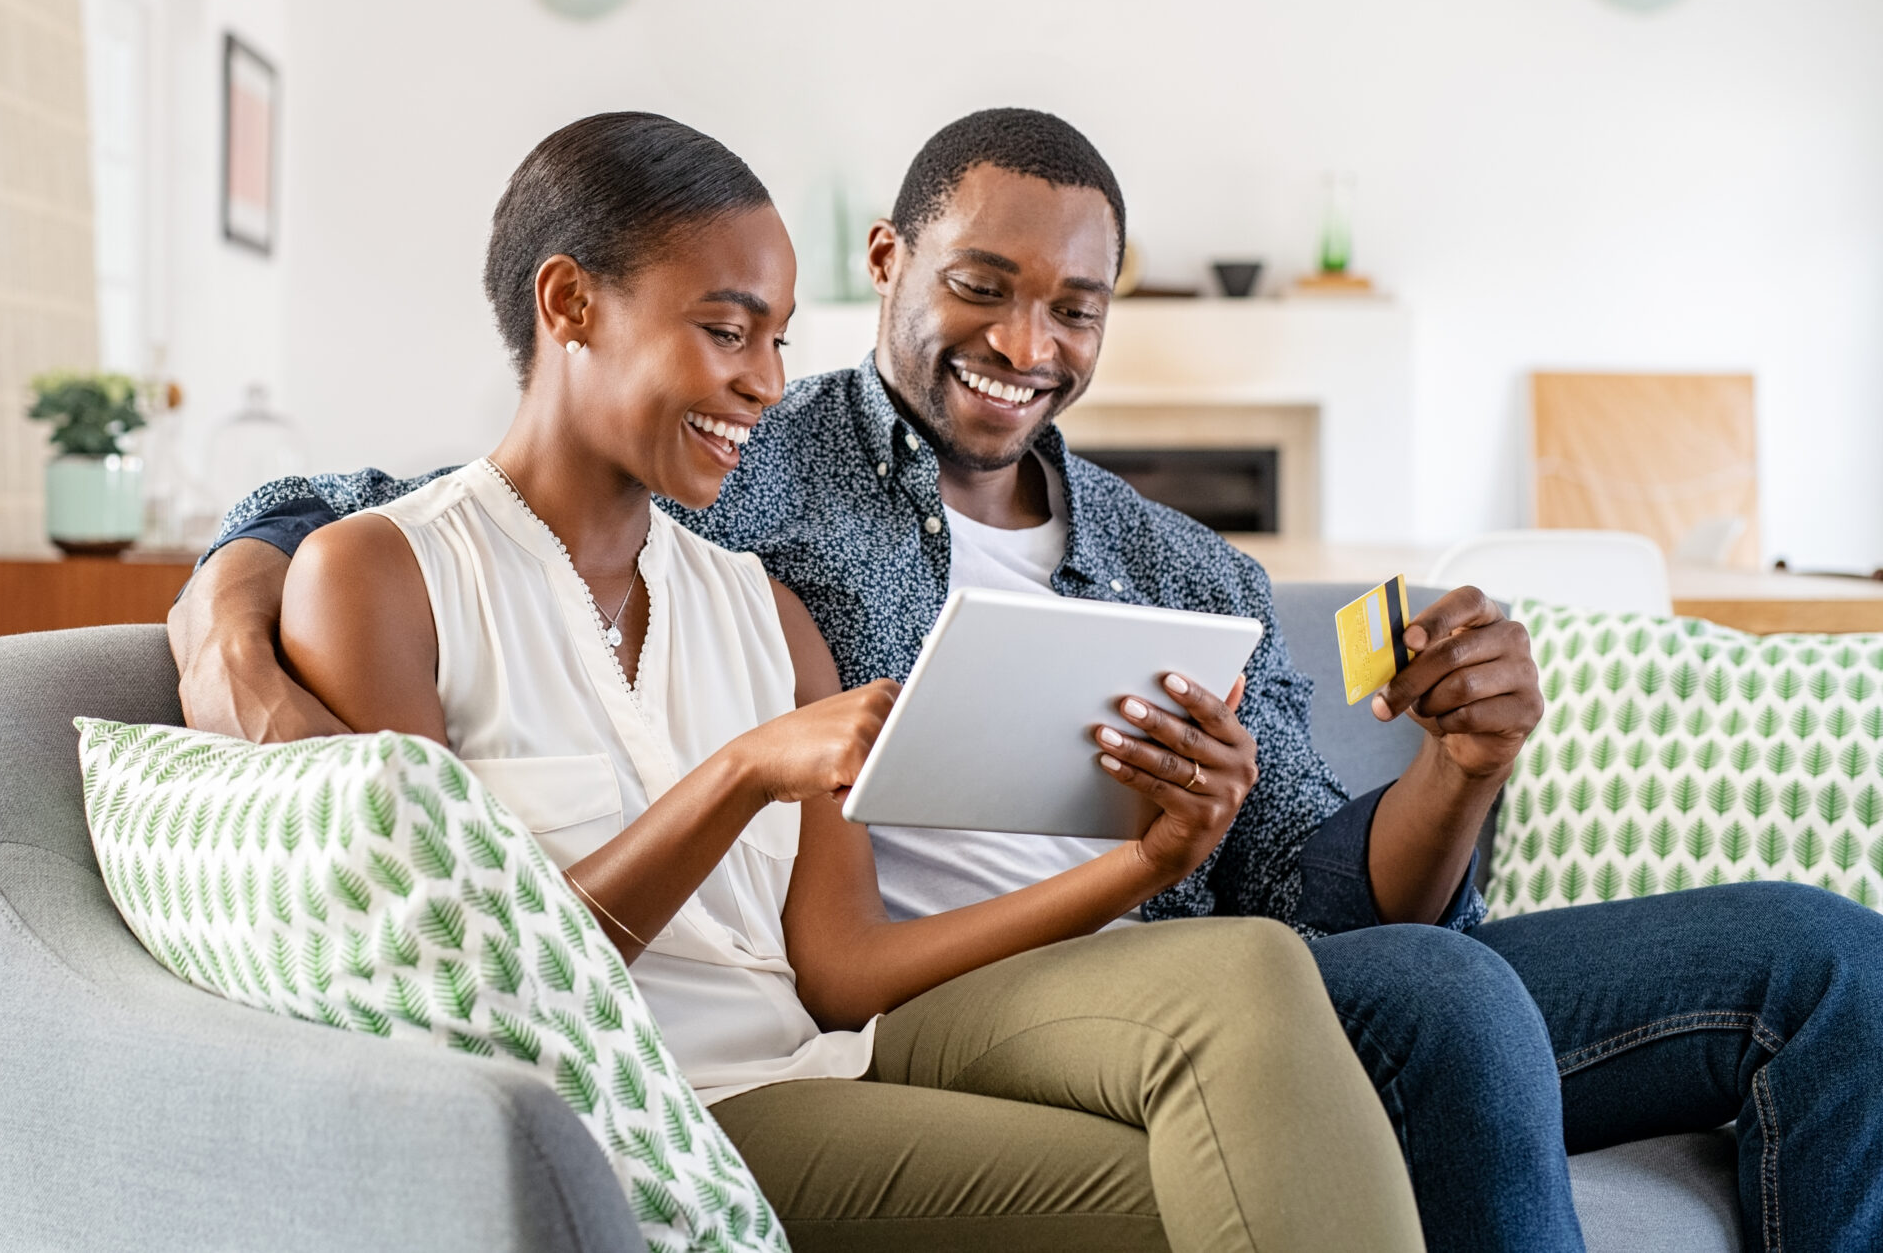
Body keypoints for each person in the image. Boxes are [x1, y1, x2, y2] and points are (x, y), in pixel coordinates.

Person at [176, 108, 1883, 1253]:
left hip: (1213, 964)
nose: (1025, 342)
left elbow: (1309, 887)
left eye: (1076, 306)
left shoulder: (1183, 567)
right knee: (1429, 1001)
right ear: (892, 268)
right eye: (982, 286)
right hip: (956, 1010)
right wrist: (236, 587)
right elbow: (439, 494)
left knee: (1820, 961)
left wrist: (1459, 763)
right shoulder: (777, 466)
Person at [271, 111, 1424, 1251]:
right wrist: (736, 775)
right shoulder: (380, 578)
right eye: (728, 332)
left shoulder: (764, 613)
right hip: (647, 1121)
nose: (767, 383)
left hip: (823, 1064)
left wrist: (1149, 860)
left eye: (776, 340)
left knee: (1249, 1029)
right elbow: (466, 998)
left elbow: (840, 974)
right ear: (570, 304)